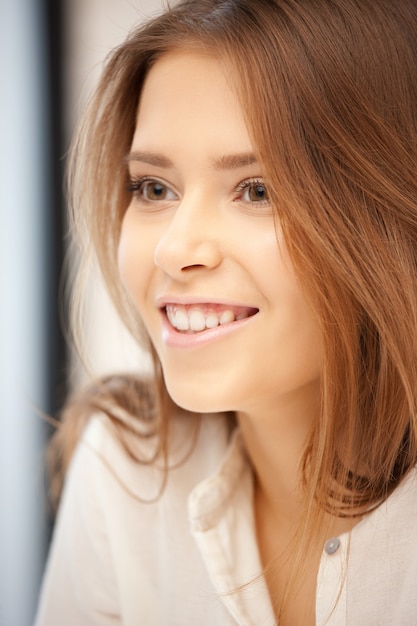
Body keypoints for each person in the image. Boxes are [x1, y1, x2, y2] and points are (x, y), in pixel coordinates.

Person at [35, 0, 417, 624]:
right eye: (153, 188)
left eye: (258, 190)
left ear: (391, 215)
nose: (174, 249)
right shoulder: (125, 468)